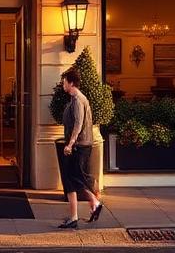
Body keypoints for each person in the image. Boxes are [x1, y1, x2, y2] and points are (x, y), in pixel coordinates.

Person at [57, 67, 102, 229]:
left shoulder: (77, 100)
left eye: (64, 82)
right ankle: (75, 216)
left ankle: (92, 204)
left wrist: (70, 144)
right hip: (80, 145)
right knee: (73, 179)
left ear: (71, 83)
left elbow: (78, 124)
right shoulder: (77, 99)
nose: (63, 84)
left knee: (73, 178)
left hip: (78, 146)